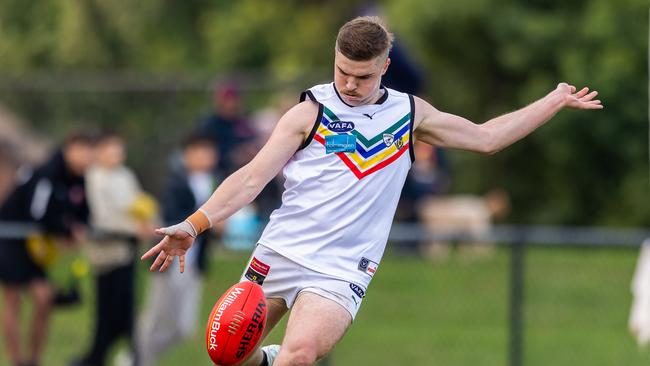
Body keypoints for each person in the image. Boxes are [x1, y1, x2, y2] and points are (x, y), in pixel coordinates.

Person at [142, 16, 603, 366]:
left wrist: (552, 101)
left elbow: (486, 139)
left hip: (342, 269)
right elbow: (250, 177)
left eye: (362, 76)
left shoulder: (410, 114)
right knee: (228, 356)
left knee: (298, 357)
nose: (349, 83)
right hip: (278, 253)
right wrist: (193, 224)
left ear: (384, 65)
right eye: (343, 71)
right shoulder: (309, 112)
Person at [0, 131, 96, 366]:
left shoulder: (79, 179)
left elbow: (83, 213)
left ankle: (34, 359)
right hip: (12, 237)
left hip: (38, 244)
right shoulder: (47, 173)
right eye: (82, 150)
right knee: (13, 300)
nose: (86, 157)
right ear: (69, 148)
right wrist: (66, 229)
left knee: (44, 298)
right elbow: (38, 212)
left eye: (90, 152)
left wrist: (77, 227)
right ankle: (16, 360)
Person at [136, 135, 221, 366]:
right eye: (198, 151)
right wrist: (203, 220)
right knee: (156, 320)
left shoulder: (216, 182)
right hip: (169, 260)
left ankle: (140, 357)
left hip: (194, 265)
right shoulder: (176, 183)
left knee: (184, 328)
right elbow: (171, 219)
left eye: (208, 152)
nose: (204, 157)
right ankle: (137, 360)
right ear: (186, 155)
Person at [72, 132, 155, 366]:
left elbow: (138, 204)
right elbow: (102, 218)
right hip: (106, 255)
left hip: (127, 253)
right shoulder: (94, 178)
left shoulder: (125, 175)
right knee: (108, 310)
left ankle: (128, 355)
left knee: (126, 308)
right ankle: (100, 356)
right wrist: (133, 229)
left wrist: (148, 224)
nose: (116, 154)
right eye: (111, 149)